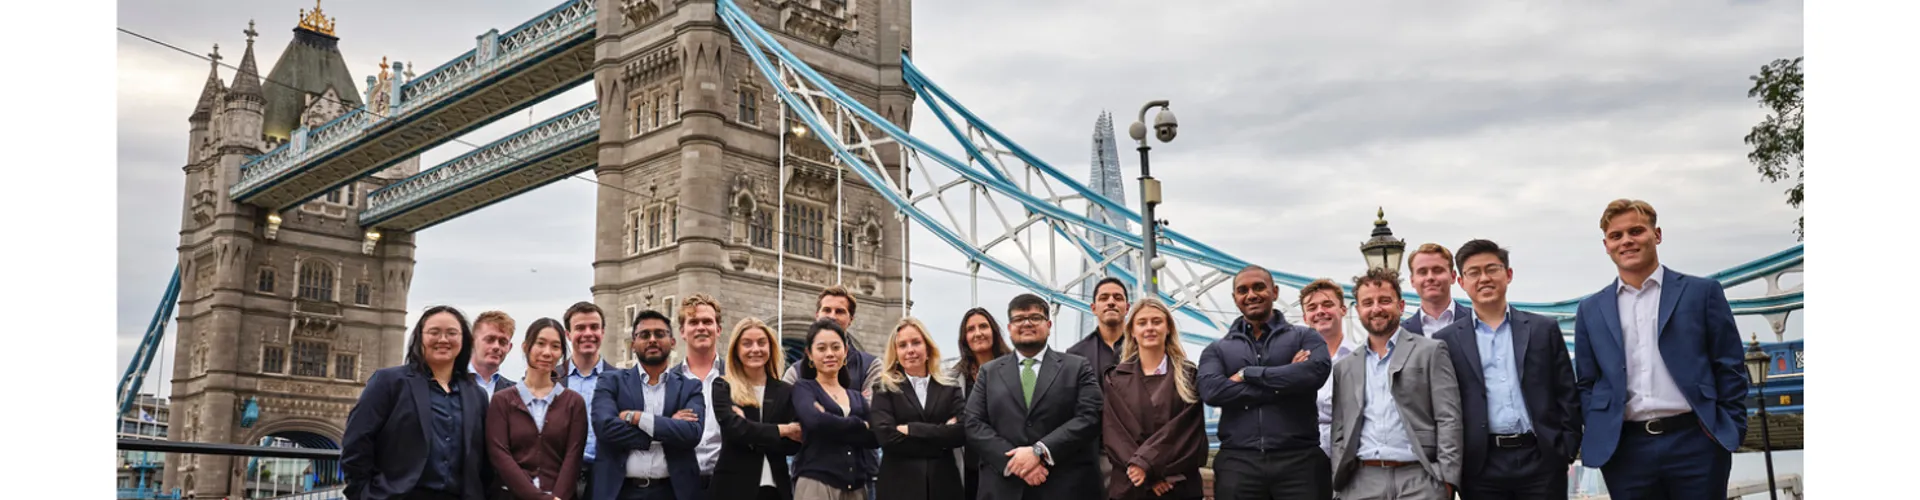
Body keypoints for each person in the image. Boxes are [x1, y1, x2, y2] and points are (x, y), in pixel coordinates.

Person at [1574, 199, 1748, 499]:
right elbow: (1587, 381)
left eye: (1636, 231)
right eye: (1616, 236)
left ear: (1657, 235)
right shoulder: (1590, 309)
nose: (1626, 240)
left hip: (1696, 442)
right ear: (1606, 245)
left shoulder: (1702, 293)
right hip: (1625, 449)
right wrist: (1601, 426)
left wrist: (1728, 426)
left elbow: (1729, 364)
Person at [1432, 240, 1580, 499]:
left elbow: (1567, 392)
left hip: (1542, 458)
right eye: (1474, 272)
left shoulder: (1542, 329)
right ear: (1461, 281)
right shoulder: (1446, 340)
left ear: (1508, 274)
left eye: (1492, 269)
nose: (1484, 278)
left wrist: (1565, 448)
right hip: (1481, 465)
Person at [1198, 266, 1333, 500]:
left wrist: (1248, 373)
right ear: (1235, 299)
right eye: (1243, 290)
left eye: (1259, 287)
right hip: (1238, 463)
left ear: (1275, 292)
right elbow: (1212, 392)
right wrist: (1286, 380)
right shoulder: (1216, 349)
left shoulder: (1306, 337)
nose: (1251, 295)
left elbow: (1314, 374)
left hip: (1299, 461)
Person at [1328, 269, 1462, 500]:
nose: (1376, 308)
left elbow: (1449, 417)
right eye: (1367, 302)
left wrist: (1447, 480)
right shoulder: (1344, 367)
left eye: (1384, 300)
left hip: (1420, 478)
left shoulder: (1431, 351)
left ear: (1400, 306)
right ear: (1358, 310)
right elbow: (1339, 428)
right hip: (1361, 481)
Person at [963, 294, 1104, 500]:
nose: (1027, 323)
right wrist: (1017, 463)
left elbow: (1091, 417)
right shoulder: (989, 372)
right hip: (1004, 488)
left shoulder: (1077, 367)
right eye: (1019, 319)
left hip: (1065, 487)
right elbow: (973, 423)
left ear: (1048, 324)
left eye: (1035, 318)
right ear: (1010, 328)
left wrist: (1040, 451)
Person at [343, 305, 491, 500]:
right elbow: (357, 442)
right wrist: (364, 494)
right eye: (434, 332)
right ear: (420, 337)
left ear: (463, 340)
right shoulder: (389, 382)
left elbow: (484, 460)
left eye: (452, 333)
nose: (443, 339)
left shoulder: (477, 395)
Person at [589, 309, 706, 500]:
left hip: (672, 492)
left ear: (673, 342)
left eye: (660, 334)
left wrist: (636, 418)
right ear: (633, 344)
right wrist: (668, 425)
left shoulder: (690, 387)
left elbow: (691, 433)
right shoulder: (611, 381)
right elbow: (605, 428)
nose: (652, 339)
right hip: (621, 491)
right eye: (644, 335)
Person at [1100, 298, 1208, 500]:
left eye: (1156, 321)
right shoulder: (1115, 379)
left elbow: (1188, 432)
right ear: (1132, 331)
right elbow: (1115, 434)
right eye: (1142, 323)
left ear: (1168, 328)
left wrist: (1149, 467)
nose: (1149, 328)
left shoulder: (1189, 375)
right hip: (1132, 487)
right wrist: (1146, 473)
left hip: (1177, 486)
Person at [486, 317, 590, 500]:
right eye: (540, 344)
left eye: (555, 347)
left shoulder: (573, 402)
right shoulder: (502, 401)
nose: (547, 352)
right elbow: (500, 456)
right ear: (526, 347)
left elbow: (572, 458)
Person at [871, 317, 968, 500]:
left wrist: (912, 429)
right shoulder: (884, 388)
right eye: (903, 345)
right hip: (898, 487)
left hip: (944, 486)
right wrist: (941, 439)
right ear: (896, 352)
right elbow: (887, 438)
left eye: (916, 342)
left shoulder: (950, 387)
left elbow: (962, 432)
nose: (910, 350)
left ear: (928, 348)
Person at [711, 317, 805, 500]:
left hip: (776, 490)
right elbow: (735, 430)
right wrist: (782, 429)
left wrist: (750, 429)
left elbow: (793, 443)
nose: (755, 349)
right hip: (732, 489)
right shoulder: (723, 386)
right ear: (736, 350)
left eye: (762, 343)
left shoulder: (786, 391)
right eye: (747, 344)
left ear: (770, 347)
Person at [790, 318, 882, 500]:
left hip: (856, 487)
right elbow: (814, 421)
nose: (830, 354)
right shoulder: (803, 388)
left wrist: (830, 421)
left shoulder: (855, 397)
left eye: (835, 347)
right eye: (821, 348)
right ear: (809, 353)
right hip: (816, 485)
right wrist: (860, 424)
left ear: (845, 351)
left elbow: (875, 437)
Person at [946, 307, 1011, 500]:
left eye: (983, 326)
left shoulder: (1014, 369)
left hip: (1005, 463)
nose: (978, 333)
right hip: (968, 467)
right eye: (971, 329)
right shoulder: (953, 378)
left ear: (994, 331)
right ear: (964, 338)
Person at [666, 294, 725, 494]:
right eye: (693, 322)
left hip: (726, 483)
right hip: (680, 485)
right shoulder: (666, 381)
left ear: (718, 329)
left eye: (707, 321)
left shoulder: (735, 377)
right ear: (682, 332)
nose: (701, 327)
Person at [562, 302, 620, 500]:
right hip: (560, 479)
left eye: (594, 327)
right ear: (568, 334)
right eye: (580, 328)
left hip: (606, 479)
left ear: (602, 332)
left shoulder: (622, 380)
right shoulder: (551, 378)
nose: (588, 333)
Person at [1298, 278, 1359, 459]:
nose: (1320, 312)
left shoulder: (1362, 357)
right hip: (1306, 459)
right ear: (1305, 318)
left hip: (1352, 458)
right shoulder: (1293, 362)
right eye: (1312, 308)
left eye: (1327, 304)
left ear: (1343, 310)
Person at [1400, 244, 1474, 337]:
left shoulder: (1477, 322)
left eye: (1437, 270)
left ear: (1453, 276)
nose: (1430, 277)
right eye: (1422, 272)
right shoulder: (1401, 334)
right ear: (1412, 280)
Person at [474, 310, 521, 395]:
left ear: (509, 348)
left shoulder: (517, 393)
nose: (496, 346)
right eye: (490, 339)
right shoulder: (449, 383)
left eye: (502, 342)